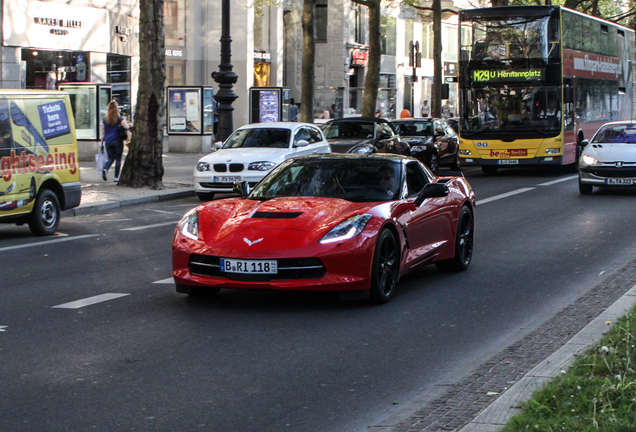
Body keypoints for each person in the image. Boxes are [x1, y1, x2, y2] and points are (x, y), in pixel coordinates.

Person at [100, 100, 130, 182]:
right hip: (117, 141)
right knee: (118, 159)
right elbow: (126, 126)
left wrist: (102, 142)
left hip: (108, 141)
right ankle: (116, 177)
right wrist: (128, 127)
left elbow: (103, 131)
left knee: (111, 158)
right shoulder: (119, 118)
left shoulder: (105, 119)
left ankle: (105, 169)